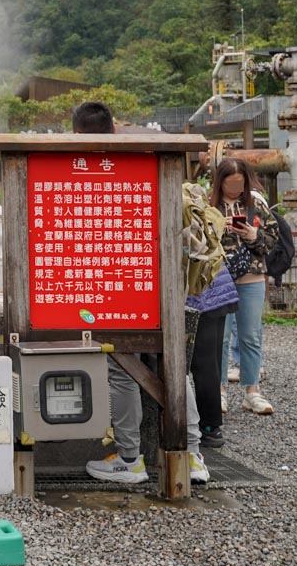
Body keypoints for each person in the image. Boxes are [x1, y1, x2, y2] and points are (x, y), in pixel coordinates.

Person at [71, 101, 211, 485]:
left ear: (76, 133)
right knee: (176, 368)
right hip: (162, 290)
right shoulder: (149, 163)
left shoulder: (79, 172)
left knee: (120, 369)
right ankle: (193, 456)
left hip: (116, 291)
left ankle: (130, 459)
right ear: (114, 129)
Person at [213, 157, 279, 416]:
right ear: (221, 182)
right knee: (221, 336)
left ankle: (252, 391)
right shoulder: (209, 206)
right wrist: (218, 228)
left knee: (250, 334)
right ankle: (218, 389)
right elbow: (196, 241)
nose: (235, 188)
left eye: (240, 183)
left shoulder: (256, 204)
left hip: (251, 276)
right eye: (230, 183)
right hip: (219, 278)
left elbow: (273, 240)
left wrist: (253, 235)